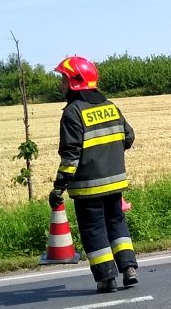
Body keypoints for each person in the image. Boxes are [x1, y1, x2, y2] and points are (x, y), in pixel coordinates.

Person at [50, 55, 139, 293]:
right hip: (115, 183)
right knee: (117, 224)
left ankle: (106, 278)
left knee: (94, 230)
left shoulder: (73, 112)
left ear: (74, 82)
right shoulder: (111, 106)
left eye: (63, 79)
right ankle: (129, 267)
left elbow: (70, 156)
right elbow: (128, 137)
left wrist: (58, 187)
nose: (61, 85)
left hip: (88, 187)